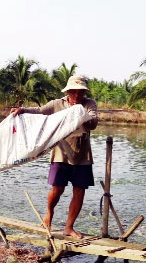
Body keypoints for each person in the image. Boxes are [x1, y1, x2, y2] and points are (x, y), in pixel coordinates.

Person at [10, 75, 98, 238]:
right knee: (57, 189)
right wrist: (22, 110)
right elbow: (40, 111)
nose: (77, 96)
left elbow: (93, 122)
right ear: (68, 92)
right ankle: (49, 213)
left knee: (79, 191)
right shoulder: (57, 104)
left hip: (82, 155)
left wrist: (81, 115)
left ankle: (69, 227)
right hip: (60, 153)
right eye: (74, 92)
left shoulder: (89, 104)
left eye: (80, 93)